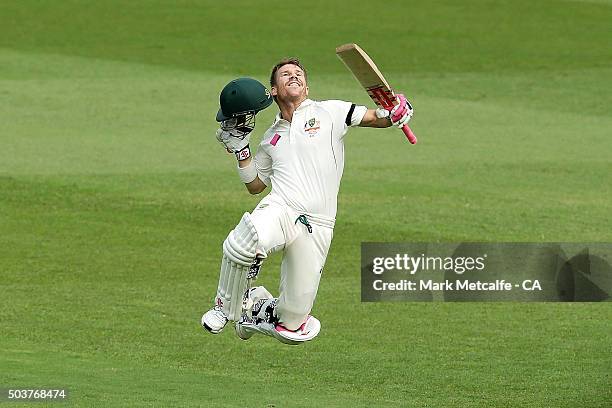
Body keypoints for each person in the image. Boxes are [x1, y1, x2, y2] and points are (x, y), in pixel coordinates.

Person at [201, 59, 413, 345]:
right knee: (244, 241)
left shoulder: (330, 111)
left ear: (307, 86)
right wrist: (241, 151)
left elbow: (378, 117)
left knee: (293, 325)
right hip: (282, 208)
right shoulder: (270, 138)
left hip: (319, 223)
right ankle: (224, 308)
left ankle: (255, 309)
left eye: (298, 74)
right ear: (274, 90)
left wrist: (398, 111)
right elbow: (256, 185)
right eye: (286, 74)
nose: (294, 76)